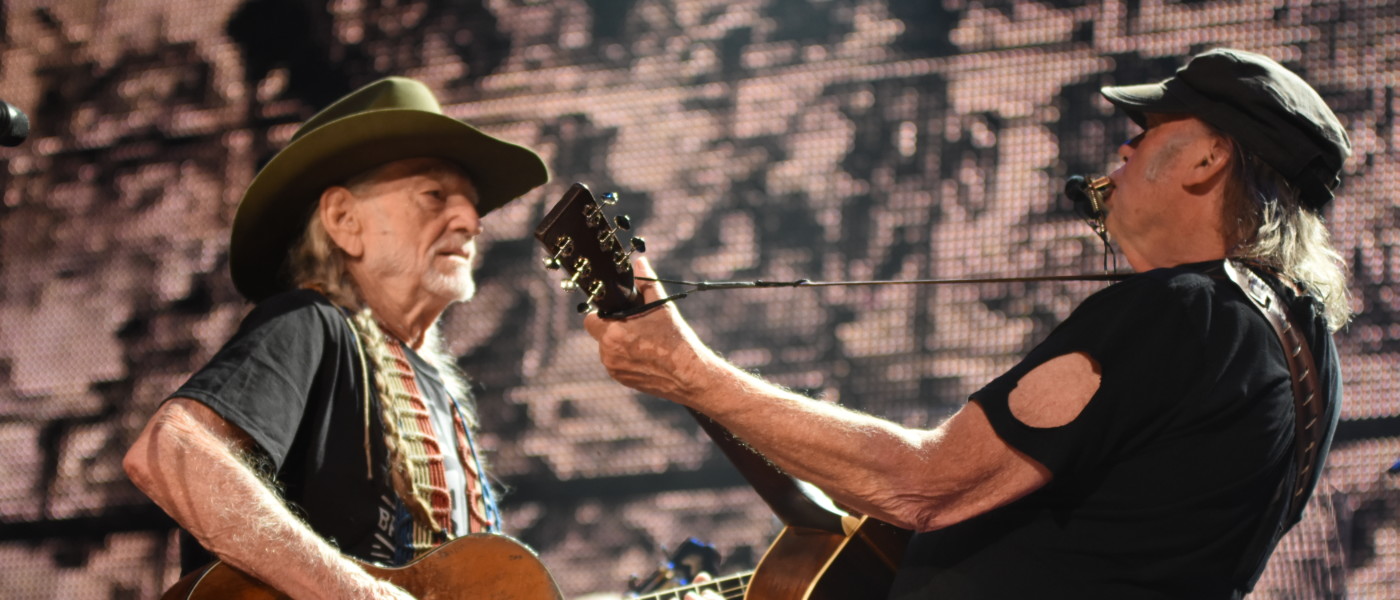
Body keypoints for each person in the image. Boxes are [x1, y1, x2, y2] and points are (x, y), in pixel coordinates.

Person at [584, 48, 1351, 598]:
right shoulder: (1305, 350)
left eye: (1148, 127)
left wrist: (691, 374)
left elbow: (920, 487)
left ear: (1208, 157)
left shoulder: (1185, 313)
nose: (1123, 145)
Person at [123, 77, 549, 599]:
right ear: (345, 221)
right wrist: (358, 593)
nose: (469, 221)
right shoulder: (311, 324)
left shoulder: (436, 392)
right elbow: (172, 451)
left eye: (472, 206)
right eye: (434, 195)